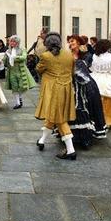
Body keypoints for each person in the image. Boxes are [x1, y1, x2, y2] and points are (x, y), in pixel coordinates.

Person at [35, 32, 76, 160]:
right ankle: (42, 140)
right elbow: (72, 71)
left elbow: (39, 69)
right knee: (53, 116)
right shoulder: (69, 54)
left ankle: (70, 150)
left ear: (47, 44)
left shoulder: (46, 56)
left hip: (53, 90)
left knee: (59, 119)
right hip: (66, 88)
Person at [67, 35, 107, 148]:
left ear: (79, 43)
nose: (70, 43)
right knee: (72, 109)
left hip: (85, 86)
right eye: (69, 42)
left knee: (84, 108)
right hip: (71, 85)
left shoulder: (87, 55)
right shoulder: (67, 55)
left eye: (72, 41)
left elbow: (83, 71)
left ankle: (85, 137)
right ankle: (72, 136)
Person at [3, 35, 36, 109]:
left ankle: (20, 98)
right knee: (14, 87)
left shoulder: (22, 49)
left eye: (14, 41)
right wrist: (3, 59)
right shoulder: (8, 51)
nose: (12, 42)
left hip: (21, 71)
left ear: (17, 42)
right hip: (12, 71)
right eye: (11, 41)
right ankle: (17, 102)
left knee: (22, 86)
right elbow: (5, 61)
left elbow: (24, 57)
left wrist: (14, 58)